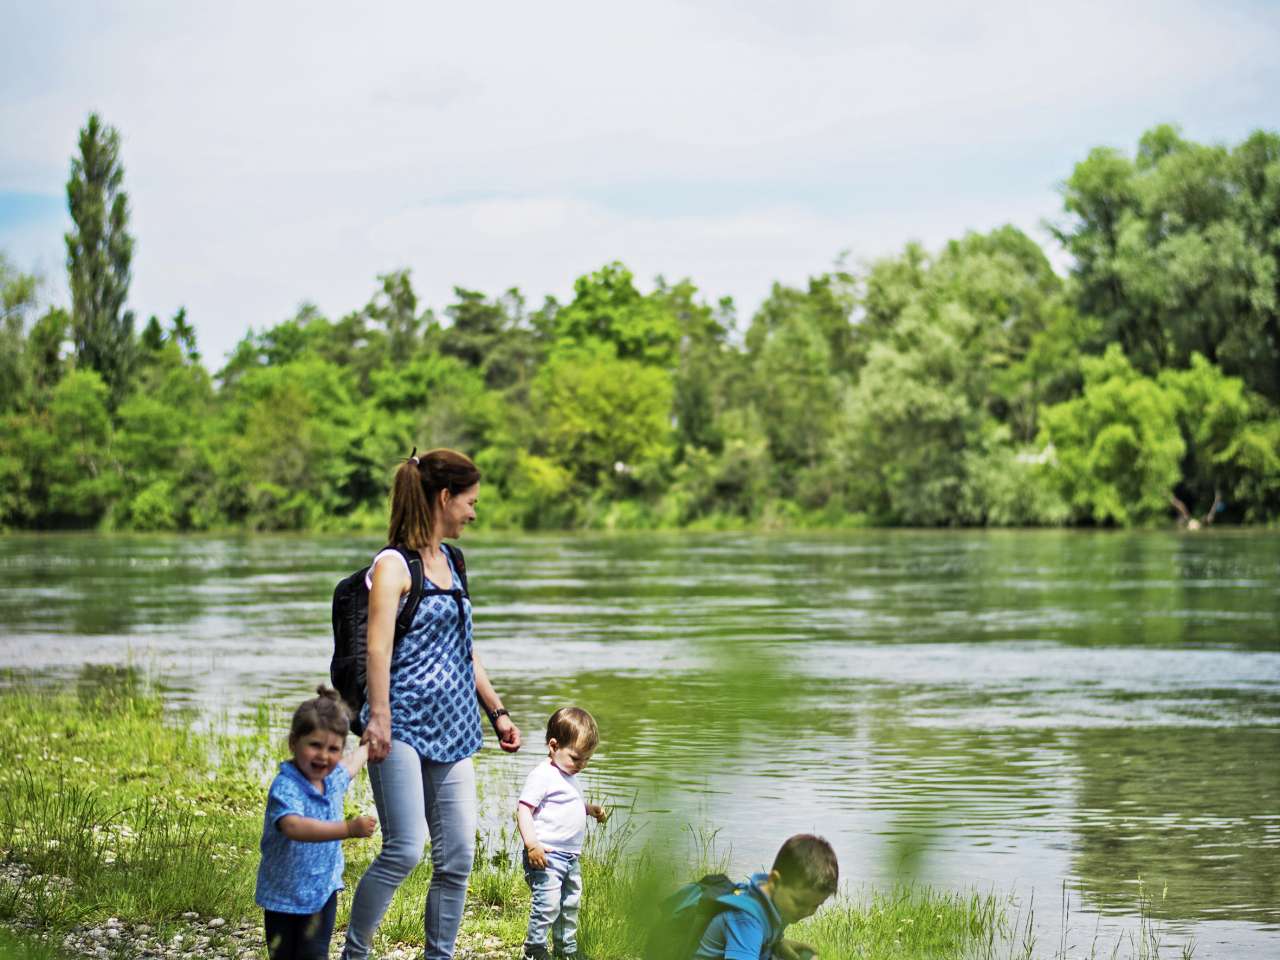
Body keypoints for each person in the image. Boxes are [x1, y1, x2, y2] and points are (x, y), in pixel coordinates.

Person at [341, 448, 522, 960]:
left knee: (458, 857)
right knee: (403, 849)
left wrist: (498, 711)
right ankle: (355, 954)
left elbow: (465, 651)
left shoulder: (456, 561)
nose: (473, 512)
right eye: (470, 502)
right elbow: (377, 647)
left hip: (456, 727)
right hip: (399, 728)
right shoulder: (393, 565)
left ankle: (437, 956)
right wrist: (378, 719)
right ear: (444, 498)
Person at [255, 686, 378, 960]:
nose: (323, 755)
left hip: (321, 894)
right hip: (283, 896)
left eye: (333, 748)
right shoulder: (287, 786)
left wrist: (369, 745)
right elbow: (293, 826)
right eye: (315, 745)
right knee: (284, 955)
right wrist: (347, 829)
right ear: (293, 743)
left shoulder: (332, 780)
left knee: (314, 954)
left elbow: (353, 763)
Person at [516, 707, 609, 960]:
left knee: (569, 905)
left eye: (587, 760)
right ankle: (534, 949)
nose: (582, 765)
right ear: (553, 746)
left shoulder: (568, 774)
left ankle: (566, 949)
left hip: (570, 857)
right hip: (546, 854)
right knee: (547, 904)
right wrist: (531, 844)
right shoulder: (543, 774)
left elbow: (568, 804)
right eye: (576, 758)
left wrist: (589, 809)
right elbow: (524, 810)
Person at [693, 834, 838, 960]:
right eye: (799, 902)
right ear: (774, 881)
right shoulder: (747, 920)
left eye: (815, 905)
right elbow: (750, 932)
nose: (806, 912)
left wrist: (778, 944)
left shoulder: (772, 902)